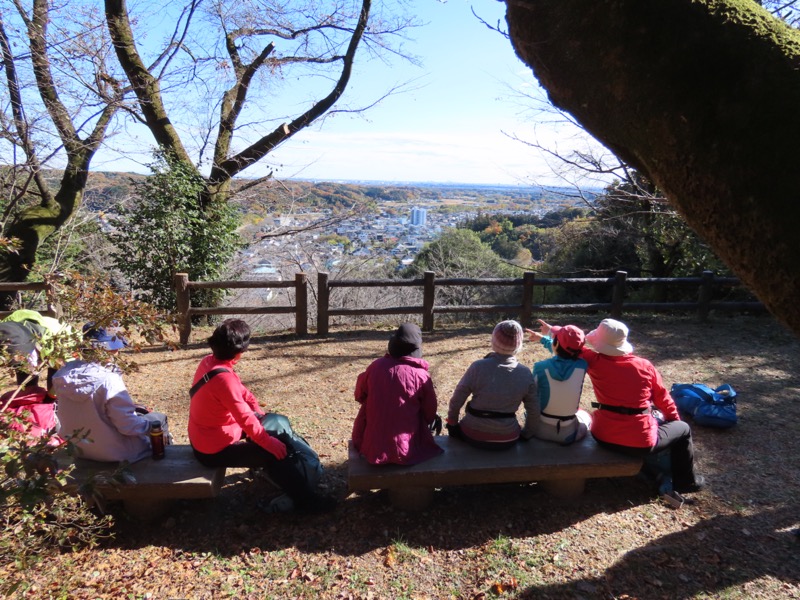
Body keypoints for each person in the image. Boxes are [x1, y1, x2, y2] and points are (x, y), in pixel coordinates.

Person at [536, 318, 704, 500]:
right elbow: (664, 399)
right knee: (683, 429)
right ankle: (687, 482)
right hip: (642, 442)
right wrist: (673, 420)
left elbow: (570, 344)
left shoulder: (593, 360)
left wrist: (552, 330)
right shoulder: (645, 366)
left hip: (603, 436)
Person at [188, 318, 336, 513]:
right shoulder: (224, 379)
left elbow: (242, 394)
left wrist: (257, 410)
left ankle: (281, 474)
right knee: (276, 452)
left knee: (270, 436)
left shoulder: (209, 362)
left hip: (206, 434)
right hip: (212, 449)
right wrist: (268, 443)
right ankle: (307, 502)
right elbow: (244, 419)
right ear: (240, 353)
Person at [52, 326, 168, 462]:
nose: (118, 351)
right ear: (111, 349)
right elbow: (128, 426)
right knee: (159, 419)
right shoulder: (109, 379)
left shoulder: (62, 374)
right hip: (118, 453)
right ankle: (162, 463)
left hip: (78, 449)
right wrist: (148, 426)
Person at [352, 323, 443, 465]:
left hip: (372, 447)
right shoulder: (422, 375)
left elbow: (359, 395)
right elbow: (429, 413)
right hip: (409, 449)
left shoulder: (375, 366)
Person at [446, 320, 538, 449]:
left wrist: (452, 424)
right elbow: (534, 409)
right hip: (508, 437)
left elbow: (457, 399)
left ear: (493, 341)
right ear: (518, 345)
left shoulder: (477, 367)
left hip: (472, 433)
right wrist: (527, 434)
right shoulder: (525, 373)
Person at [525, 324, 591, 445]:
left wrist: (543, 339)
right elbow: (567, 353)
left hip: (539, 431)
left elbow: (533, 397)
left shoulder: (540, 367)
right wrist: (543, 339)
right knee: (585, 415)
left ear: (556, 343)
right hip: (569, 434)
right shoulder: (583, 365)